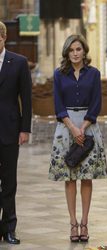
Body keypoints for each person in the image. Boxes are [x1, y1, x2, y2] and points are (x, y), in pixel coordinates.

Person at [48, 34, 107, 243]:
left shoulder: (93, 74)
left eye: (78, 49)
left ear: (84, 52)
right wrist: (72, 127)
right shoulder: (58, 74)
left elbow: (96, 103)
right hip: (66, 127)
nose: (75, 53)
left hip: (88, 125)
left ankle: (85, 221)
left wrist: (83, 126)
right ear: (67, 52)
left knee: (87, 176)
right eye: (71, 50)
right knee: (70, 176)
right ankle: (73, 223)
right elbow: (57, 104)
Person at [0, 21, 32, 244]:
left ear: (3, 37)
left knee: (9, 182)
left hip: (10, 130)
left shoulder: (19, 62)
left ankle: (9, 228)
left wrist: (25, 128)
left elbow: (27, 99)